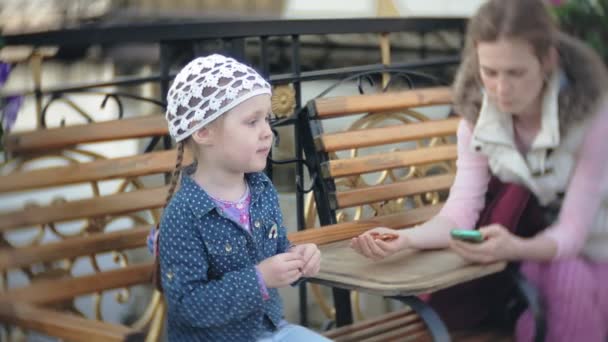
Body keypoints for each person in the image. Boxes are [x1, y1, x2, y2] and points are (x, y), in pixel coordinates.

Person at [350, 0, 608, 341]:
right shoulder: (477, 124)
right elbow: (460, 214)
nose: (501, 88)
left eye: (515, 72)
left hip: (597, 247)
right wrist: (407, 239)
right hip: (539, 255)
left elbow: (575, 231)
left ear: (548, 61)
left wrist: (513, 247)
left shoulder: (592, 119)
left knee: (567, 282)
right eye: (490, 72)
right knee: (561, 280)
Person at [153, 54, 330, 341]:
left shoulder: (261, 190)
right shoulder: (183, 215)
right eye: (252, 122)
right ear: (203, 131)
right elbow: (187, 305)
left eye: (267, 120)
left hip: (270, 330)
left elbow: (277, 251)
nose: (267, 133)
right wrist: (259, 280)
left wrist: (298, 259)